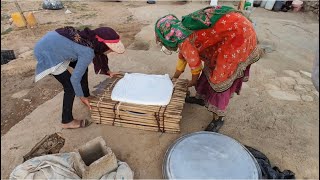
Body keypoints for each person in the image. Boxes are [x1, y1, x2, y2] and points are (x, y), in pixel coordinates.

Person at [155, 6, 262, 132]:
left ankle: (218, 118)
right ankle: (201, 98)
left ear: (168, 39)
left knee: (220, 78)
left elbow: (195, 67)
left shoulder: (185, 41)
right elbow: (182, 59)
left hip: (238, 35)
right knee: (211, 64)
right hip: (230, 28)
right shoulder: (181, 31)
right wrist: (174, 79)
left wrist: (193, 82)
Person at [34, 26, 125, 129]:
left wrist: (108, 72)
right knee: (70, 88)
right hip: (47, 53)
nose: (110, 51)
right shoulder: (87, 51)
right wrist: (80, 96)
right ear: (102, 45)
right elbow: (75, 79)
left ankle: (86, 95)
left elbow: (99, 53)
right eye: (110, 48)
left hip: (53, 43)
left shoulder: (89, 38)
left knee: (81, 67)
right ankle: (67, 121)